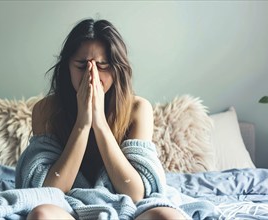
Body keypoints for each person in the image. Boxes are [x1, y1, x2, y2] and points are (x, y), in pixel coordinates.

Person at [19, 18, 187, 219]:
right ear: (67, 67)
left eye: (103, 65)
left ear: (117, 69)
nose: (92, 76)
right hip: (66, 205)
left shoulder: (138, 109)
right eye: (82, 65)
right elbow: (48, 192)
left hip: (127, 204)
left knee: (169, 216)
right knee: (41, 214)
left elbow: (135, 193)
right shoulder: (45, 110)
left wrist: (99, 123)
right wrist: (83, 123)